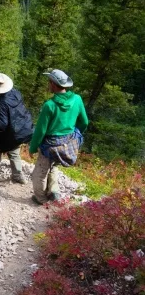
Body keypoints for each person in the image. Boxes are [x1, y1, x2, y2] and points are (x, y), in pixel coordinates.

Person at [29, 69, 89, 205]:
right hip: (67, 142)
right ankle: (54, 192)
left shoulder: (49, 106)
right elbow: (84, 122)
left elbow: (40, 131)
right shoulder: (77, 99)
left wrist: (32, 148)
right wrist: (74, 133)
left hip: (49, 145)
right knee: (55, 166)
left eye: (49, 82)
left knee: (40, 172)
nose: (48, 85)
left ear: (54, 84)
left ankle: (41, 199)